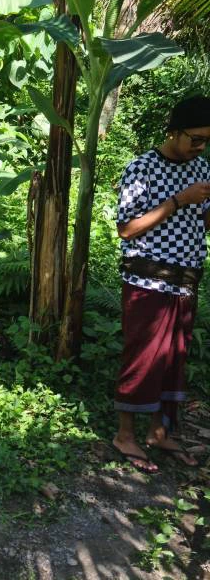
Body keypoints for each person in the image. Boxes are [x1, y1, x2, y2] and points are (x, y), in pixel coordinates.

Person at [113, 95, 210, 473]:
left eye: (206, 141)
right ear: (173, 131)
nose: (200, 147)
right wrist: (177, 201)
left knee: (173, 360)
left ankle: (158, 431)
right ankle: (124, 435)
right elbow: (127, 228)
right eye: (196, 139)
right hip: (147, 280)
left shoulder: (201, 168)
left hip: (185, 280)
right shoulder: (143, 168)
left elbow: (201, 223)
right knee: (144, 358)